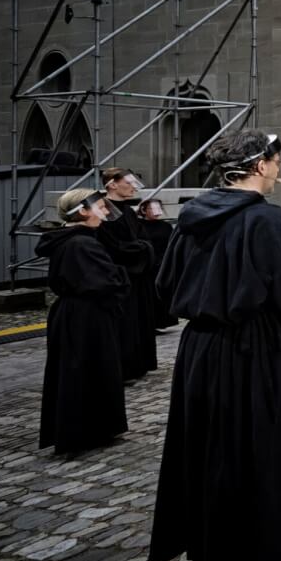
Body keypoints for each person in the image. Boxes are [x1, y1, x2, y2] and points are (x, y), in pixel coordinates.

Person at [148, 130, 281, 561]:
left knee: (206, 447)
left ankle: (212, 548)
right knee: (256, 444)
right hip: (251, 347)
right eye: (276, 163)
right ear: (260, 166)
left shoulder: (192, 217)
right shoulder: (271, 223)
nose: (280, 170)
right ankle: (262, 546)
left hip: (199, 348)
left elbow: (165, 286)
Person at [36, 188, 129, 455]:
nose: (104, 212)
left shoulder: (79, 240)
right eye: (99, 206)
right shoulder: (81, 243)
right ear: (83, 211)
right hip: (85, 316)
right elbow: (105, 281)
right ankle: (84, 431)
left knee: (84, 369)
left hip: (79, 313)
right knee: (84, 370)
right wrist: (122, 275)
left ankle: (93, 429)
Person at [99, 167, 157, 380]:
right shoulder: (105, 211)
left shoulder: (127, 211)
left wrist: (143, 249)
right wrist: (143, 249)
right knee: (125, 323)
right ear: (112, 184)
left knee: (139, 321)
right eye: (129, 182)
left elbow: (141, 240)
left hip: (137, 275)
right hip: (122, 276)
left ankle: (138, 363)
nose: (133, 187)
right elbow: (116, 247)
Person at [138, 197, 179, 330]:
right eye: (153, 208)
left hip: (162, 263)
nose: (157, 212)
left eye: (159, 208)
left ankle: (161, 322)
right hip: (146, 265)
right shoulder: (139, 226)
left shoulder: (165, 226)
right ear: (144, 210)